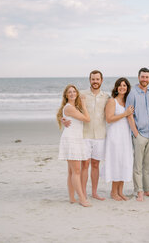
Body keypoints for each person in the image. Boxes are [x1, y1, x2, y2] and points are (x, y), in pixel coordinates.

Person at [61, 70, 110, 201]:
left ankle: (94, 192)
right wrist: (63, 118)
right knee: (85, 165)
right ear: (90, 80)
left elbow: (112, 111)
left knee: (95, 164)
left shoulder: (107, 96)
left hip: (100, 134)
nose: (95, 81)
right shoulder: (81, 95)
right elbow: (67, 106)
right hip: (84, 135)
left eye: (97, 79)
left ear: (101, 80)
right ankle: (82, 193)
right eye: (93, 79)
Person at [127, 67, 149, 201]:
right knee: (138, 165)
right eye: (142, 77)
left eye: (147, 77)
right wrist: (135, 133)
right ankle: (138, 190)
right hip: (139, 134)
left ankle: (147, 190)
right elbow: (129, 114)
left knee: (148, 165)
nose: (144, 79)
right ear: (139, 77)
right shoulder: (132, 93)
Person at [57, 84, 91, 207]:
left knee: (72, 172)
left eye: (74, 91)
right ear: (66, 95)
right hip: (71, 140)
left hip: (75, 138)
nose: (72, 94)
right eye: (69, 92)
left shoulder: (72, 107)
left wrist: (62, 119)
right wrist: (84, 105)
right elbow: (87, 119)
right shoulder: (70, 108)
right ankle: (82, 198)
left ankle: (72, 198)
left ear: (76, 93)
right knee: (76, 171)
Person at [104, 77, 137, 201]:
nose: (122, 87)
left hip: (125, 136)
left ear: (128, 88)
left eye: (125, 85)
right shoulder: (112, 101)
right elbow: (109, 119)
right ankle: (114, 192)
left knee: (124, 162)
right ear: (116, 87)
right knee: (116, 162)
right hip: (115, 136)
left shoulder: (127, 102)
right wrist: (125, 113)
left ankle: (120, 191)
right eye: (120, 85)